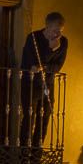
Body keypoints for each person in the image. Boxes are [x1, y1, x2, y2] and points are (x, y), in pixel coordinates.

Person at [19, 11, 67, 148]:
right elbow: (31, 63)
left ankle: (36, 155)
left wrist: (45, 65)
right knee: (29, 119)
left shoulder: (62, 43)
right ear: (47, 26)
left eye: (60, 31)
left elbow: (57, 66)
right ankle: (23, 154)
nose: (57, 34)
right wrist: (49, 50)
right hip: (30, 84)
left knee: (44, 119)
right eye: (55, 31)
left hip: (48, 84)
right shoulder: (33, 38)